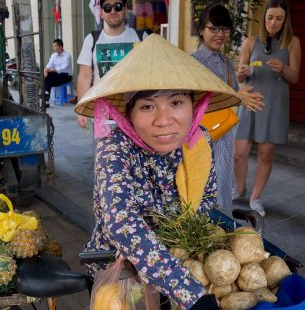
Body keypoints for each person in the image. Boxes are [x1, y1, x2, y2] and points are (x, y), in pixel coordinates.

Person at [75, 35, 240, 310]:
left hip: (182, 263)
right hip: (122, 274)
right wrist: (191, 293)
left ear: (194, 107)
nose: (164, 121)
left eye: (176, 103)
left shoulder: (198, 142)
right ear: (129, 115)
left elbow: (207, 201)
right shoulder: (115, 148)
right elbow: (122, 224)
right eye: (147, 106)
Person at [191, 4, 264, 208]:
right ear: (201, 30)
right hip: (202, 136)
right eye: (213, 29)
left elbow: (233, 93)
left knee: (222, 185)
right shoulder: (194, 62)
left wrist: (242, 90)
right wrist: (236, 95)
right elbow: (193, 102)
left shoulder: (224, 60)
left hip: (224, 133)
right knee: (203, 189)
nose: (219, 34)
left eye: (224, 29)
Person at [234, 0, 301, 216]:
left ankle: (255, 197)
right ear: (264, 18)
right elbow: (239, 76)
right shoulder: (251, 41)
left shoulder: (292, 42)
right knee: (239, 153)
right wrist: (241, 73)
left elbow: (294, 77)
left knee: (265, 154)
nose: (273, 22)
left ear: (285, 20)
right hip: (250, 102)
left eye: (279, 18)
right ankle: (240, 188)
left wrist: (283, 68)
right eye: (270, 17)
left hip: (275, 105)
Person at [76, 0, 146, 128]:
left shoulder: (141, 37)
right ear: (102, 13)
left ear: (125, 9)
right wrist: (82, 110)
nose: (113, 11)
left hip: (136, 117)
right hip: (104, 118)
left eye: (117, 6)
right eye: (107, 8)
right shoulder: (92, 39)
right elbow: (85, 75)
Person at [44, 39, 73, 108]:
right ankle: (46, 97)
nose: (53, 47)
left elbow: (64, 68)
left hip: (66, 75)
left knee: (49, 79)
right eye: (53, 46)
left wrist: (53, 70)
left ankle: (46, 96)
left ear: (60, 46)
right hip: (56, 75)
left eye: (55, 46)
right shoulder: (53, 55)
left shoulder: (67, 55)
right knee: (48, 76)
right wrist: (46, 70)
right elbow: (49, 65)